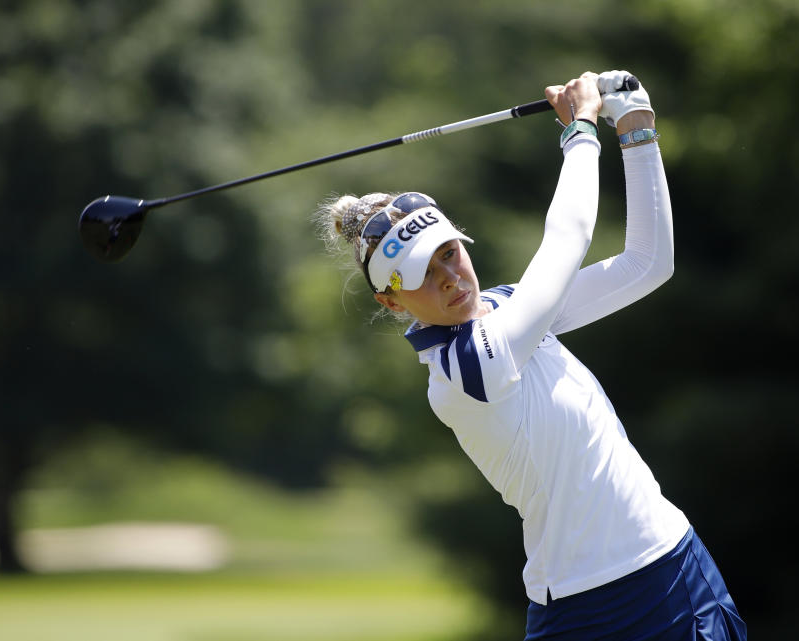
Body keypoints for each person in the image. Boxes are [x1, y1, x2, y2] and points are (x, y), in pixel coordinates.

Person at [316, 70, 747, 641]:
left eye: (449, 253)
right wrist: (582, 131)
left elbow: (648, 263)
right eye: (423, 272)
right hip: (591, 614)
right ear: (392, 301)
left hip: (677, 563)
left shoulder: (510, 310)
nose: (449, 277)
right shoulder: (467, 369)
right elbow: (567, 237)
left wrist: (637, 128)